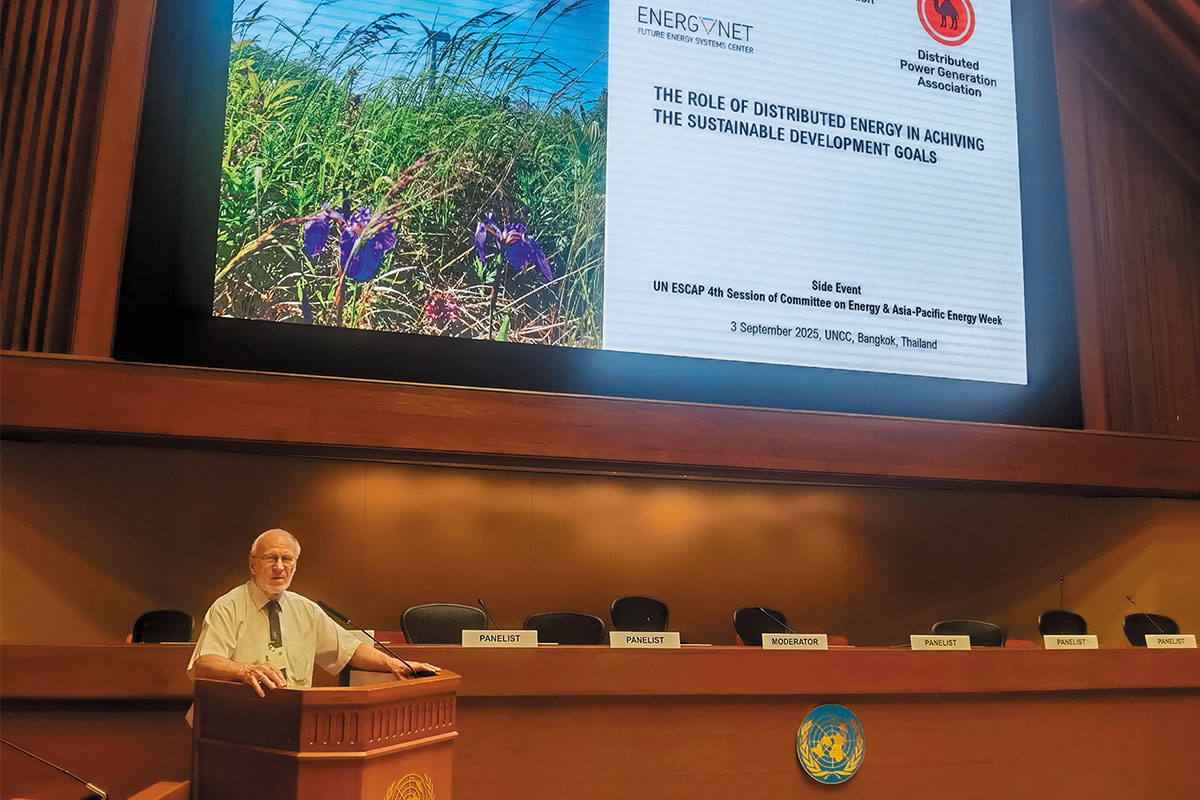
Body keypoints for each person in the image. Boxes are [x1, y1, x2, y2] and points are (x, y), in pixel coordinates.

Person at [188, 528, 438, 696]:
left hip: (294, 718)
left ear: (295, 565)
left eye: (287, 559)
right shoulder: (228, 607)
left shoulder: (306, 609)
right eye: (271, 558)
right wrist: (245, 671)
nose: (279, 567)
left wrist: (395, 664)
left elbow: (349, 650)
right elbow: (204, 664)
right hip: (237, 718)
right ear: (253, 564)